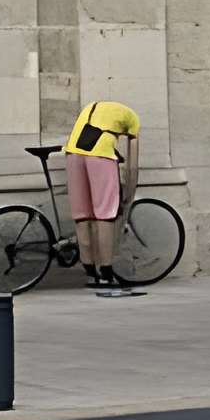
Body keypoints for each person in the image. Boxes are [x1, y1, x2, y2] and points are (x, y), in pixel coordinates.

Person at [61, 98, 142, 294]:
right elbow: (132, 165)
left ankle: (90, 273)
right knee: (105, 215)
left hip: (72, 153)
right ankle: (106, 273)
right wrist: (129, 194)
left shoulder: (91, 107)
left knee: (83, 215)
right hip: (101, 157)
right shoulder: (133, 119)